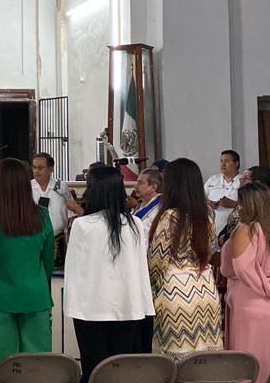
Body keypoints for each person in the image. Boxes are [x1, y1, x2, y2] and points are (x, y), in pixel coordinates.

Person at [65, 166, 153, 379]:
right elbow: (141, 269)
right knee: (123, 372)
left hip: (90, 311)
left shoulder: (82, 225)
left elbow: (73, 271)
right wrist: (144, 307)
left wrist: (72, 307)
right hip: (129, 308)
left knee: (94, 370)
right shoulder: (135, 224)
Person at [0, 158, 54, 371]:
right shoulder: (42, 215)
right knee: (36, 366)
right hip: (35, 296)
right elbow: (47, 261)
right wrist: (39, 283)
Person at [220, 182, 270, 381]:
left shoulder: (246, 230)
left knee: (255, 367)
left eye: (241, 203)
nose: (238, 208)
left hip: (256, 301)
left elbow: (243, 268)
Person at [148, 158, 223, 360]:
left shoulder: (170, 216)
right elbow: (210, 251)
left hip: (175, 291)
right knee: (204, 360)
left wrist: (152, 291)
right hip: (205, 287)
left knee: (176, 361)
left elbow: (157, 261)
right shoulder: (206, 215)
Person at [31, 152, 75, 267]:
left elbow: (71, 215)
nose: (36, 171)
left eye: (40, 168)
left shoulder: (61, 187)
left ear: (50, 170)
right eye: (34, 167)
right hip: (34, 239)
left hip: (57, 239)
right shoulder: (28, 187)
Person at [205, 150, 241, 235]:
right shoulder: (213, 179)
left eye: (227, 161)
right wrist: (208, 202)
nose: (223, 164)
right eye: (221, 161)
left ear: (236, 163)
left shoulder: (243, 181)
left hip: (233, 230)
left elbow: (251, 205)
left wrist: (233, 204)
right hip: (210, 229)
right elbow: (198, 198)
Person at [132, 168, 163, 240]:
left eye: (140, 183)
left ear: (153, 187)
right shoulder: (140, 205)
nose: (135, 186)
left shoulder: (160, 208)